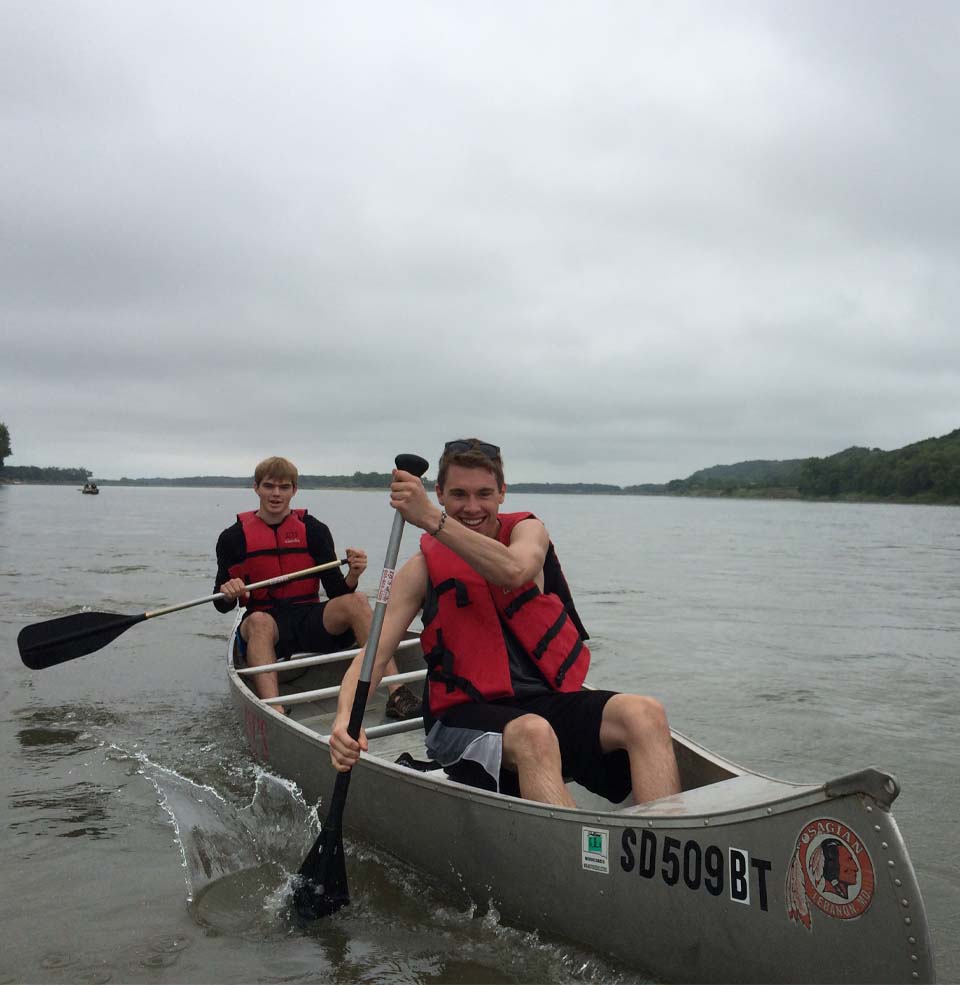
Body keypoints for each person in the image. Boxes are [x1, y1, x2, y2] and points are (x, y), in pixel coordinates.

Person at [329, 439, 681, 808]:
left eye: (484, 493)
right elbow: (372, 655)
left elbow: (514, 571)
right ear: (439, 493)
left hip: (540, 701)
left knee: (645, 713)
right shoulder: (420, 570)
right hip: (458, 718)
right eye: (458, 494)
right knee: (534, 734)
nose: (471, 507)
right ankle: (569, 860)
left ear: (502, 493)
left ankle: (661, 848)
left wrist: (431, 517)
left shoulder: (527, 535)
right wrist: (342, 720)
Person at [214, 456, 421, 719]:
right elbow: (221, 605)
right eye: (269, 486)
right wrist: (228, 592)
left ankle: (397, 692)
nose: (276, 494)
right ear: (256, 488)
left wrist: (353, 575)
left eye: (284, 487)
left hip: (309, 617)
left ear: (294, 490)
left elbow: (336, 591)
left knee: (356, 600)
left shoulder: (314, 530)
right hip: (266, 626)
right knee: (258, 621)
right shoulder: (232, 538)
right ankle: (275, 709)